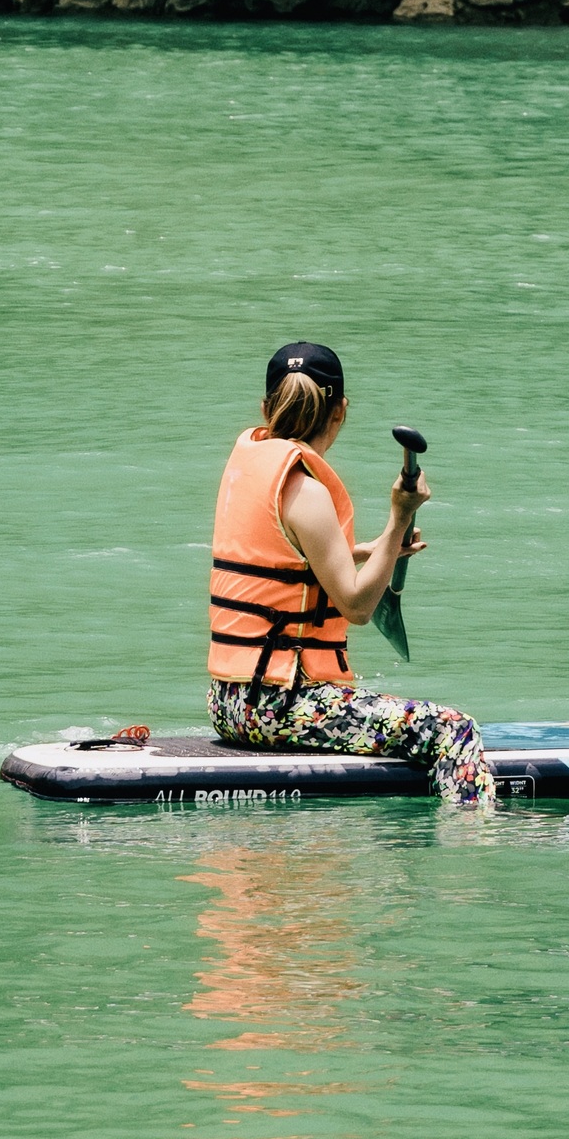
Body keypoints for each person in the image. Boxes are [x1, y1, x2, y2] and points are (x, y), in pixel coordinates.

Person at [206, 338, 495, 809]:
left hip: (228, 703)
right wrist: (400, 516)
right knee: (454, 730)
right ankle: (473, 848)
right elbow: (358, 607)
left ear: (265, 407)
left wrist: (370, 549)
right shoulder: (307, 491)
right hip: (278, 707)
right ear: (340, 411)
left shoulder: (248, 466)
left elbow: (287, 561)